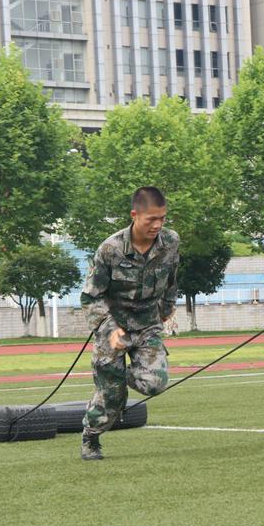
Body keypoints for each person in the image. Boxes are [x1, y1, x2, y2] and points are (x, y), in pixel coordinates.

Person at [79, 186, 179, 460]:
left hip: (148, 323)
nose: (157, 225)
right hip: (113, 326)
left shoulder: (170, 242)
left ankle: (112, 375)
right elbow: (90, 297)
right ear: (135, 215)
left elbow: (171, 281)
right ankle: (90, 438)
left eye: (162, 218)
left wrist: (167, 310)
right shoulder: (110, 249)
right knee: (111, 400)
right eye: (151, 220)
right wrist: (110, 329)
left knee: (155, 384)